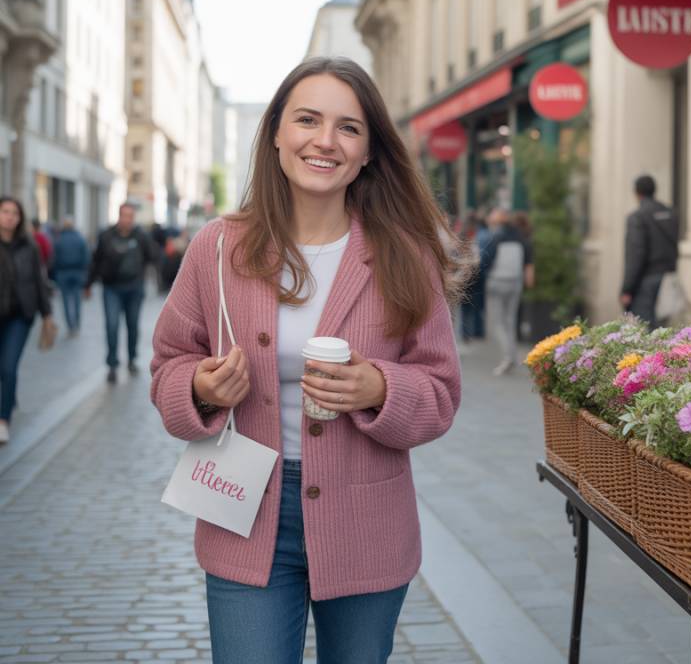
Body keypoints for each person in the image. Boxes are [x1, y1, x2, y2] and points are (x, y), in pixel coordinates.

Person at [150, 57, 462, 664]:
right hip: (243, 508)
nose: (326, 140)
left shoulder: (404, 255)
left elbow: (441, 392)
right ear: (275, 133)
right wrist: (201, 388)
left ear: (369, 151)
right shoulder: (217, 247)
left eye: (348, 127)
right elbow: (167, 367)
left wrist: (380, 387)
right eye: (308, 120)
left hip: (365, 517)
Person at [0, 197, 56, 444]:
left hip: (20, 316)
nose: (10, 216)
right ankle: (8, 399)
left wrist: (46, 314)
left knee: (8, 368)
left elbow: (39, 281)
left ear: (20, 218)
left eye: (14, 212)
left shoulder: (29, 246)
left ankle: (3, 421)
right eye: (5, 211)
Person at [85, 202, 156, 383]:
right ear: (118, 216)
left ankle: (132, 358)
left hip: (134, 289)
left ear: (133, 218)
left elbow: (153, 257)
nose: (126, 219)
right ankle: (112, 364)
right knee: (112, 325)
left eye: (130, 216)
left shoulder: (141, 236)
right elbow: (96, 260)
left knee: (132, 325)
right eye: (123, 215)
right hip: (111, 289)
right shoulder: (106, 236)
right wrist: (88, 284)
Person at [620, 174, 679, 328]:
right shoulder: (671, 213)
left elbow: (635, 254)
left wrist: (627, 289)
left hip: (645, 282)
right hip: (668, 278)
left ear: (637, 193)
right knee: (664, 330)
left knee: (645, 331)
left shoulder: (637, 217)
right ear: (654, 190)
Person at [480, 207, 534, 375]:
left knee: (497, 323)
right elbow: (528, 264)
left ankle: (508, 356)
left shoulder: (495, 236)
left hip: (497, 282)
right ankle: (512, 355)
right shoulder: (521, 238)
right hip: (515, 283)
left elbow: (485, 261)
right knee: (510, 321)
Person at [52, 217, 90, 336]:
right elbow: (86, 258)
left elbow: (54, 259)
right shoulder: (80, 239)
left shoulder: (59, 240)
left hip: (63, 273)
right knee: (77, 299)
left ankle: (71, 326)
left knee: (65, 301)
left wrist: (54, 275)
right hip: (77, 273)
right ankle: (77, 324)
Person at [459, 210, 490, 343]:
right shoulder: (478, 237)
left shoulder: (460, 236)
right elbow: (480, 258)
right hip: (475, 275)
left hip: (463, 275)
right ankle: (476, 331)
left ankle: (465, 332)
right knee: (476, 305)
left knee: (465, 307)